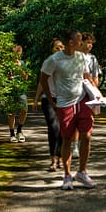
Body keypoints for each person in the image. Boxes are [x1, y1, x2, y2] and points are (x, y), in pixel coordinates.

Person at [39, 29, 97, 190]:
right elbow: (43, 79)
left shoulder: (81, 57)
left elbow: (87, 76)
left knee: (86, 136)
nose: (83, 44)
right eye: (80, 41)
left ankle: (82, 172)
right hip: (64, 104)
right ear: (71, 43)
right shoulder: (54, 60)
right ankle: (67, 175)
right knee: (67, 139)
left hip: (82, 101)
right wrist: (51, 101)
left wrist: (96, 95)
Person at [33, 38, 64, 171]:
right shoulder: (48, 63)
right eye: (57, 47)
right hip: (48, 98)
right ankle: (53, 159)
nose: (60, 49)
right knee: (53, 127)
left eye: (62, 47)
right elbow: (42, 82)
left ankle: (61, 157)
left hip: (64, 99)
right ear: (52, 50)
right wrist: (36, 99)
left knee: (63, 128)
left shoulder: (68, 63)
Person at [70, 32, 102, 158]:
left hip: (89, 91)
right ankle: (75, 145)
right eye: (87, 42)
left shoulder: (92, 58)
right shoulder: (73, 56)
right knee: (75, 118)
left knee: (88, 118)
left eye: (91, 43)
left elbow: (95, 76)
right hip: (76, 91)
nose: (90, 46)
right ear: (81, 42)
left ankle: (85, 143)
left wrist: (95, 91)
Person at [6, 44, 29, 143]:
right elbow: (3, 78)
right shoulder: (7, 65)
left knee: (24, 110)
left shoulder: (23, 63)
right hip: (10, 91)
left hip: (21, 90)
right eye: (15, 54)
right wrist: (8, 78)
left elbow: (26, 78)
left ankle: (19, 131)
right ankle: (12, 133)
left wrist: (20, 69)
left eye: (19, 54)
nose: (17, 56)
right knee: (12, 113)